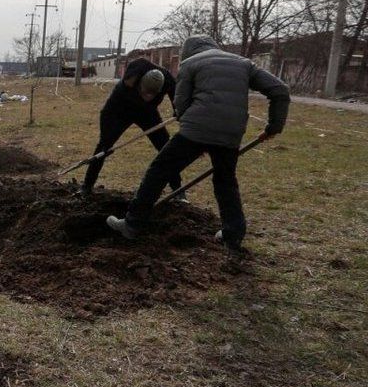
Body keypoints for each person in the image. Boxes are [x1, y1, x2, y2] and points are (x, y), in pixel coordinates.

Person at [107, 36, 289, 250]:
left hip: (196, 129)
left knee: (159, 170)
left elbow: (181, 103)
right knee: (225, 181)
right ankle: (232, 235)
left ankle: (132, 225)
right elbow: (280, 90)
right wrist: (274, 126)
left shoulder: (190, 64)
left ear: (187, 52)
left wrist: (190, 129)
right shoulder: (243, 63)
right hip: (231, 133)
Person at [79, 58, 183, 199]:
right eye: (144, 92)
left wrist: (178, 109)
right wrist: (106, 137)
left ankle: (178, 190)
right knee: (103, 147)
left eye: (151, 95)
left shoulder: (168, 81)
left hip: (147, 113)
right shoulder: (132, 76)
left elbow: (177, 97)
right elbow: (107, 112)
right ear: (139, 83)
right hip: (119, 110)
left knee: (165, 147)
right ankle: (86, 186)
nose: (146, 96)